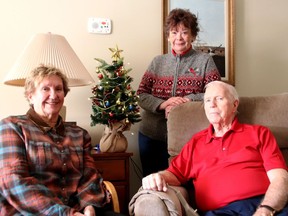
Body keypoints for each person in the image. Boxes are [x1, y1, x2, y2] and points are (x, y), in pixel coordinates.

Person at [138, 81, 288, 216]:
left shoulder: (259, 133)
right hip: (221, 213)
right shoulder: (196, 142)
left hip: (266, 205)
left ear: (235, 104)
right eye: (208, 100)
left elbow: (280, 178)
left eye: (219, 98)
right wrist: (158, 177)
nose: (212, 104)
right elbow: (175, 174)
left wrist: (266, 209)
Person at [0, 65, 124, 216]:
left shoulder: (79, 134)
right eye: (45, 89)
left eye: (58, 89)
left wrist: (89, 207)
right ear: (30, 95)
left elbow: (89, 177)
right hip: (32, 212)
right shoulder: (12, 127)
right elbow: (14, 181)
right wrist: (67, 214)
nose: (54, 95)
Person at [136, 8, 221, 177]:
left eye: (184, 32)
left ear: (193, 36)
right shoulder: (157, 62)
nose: (179, 38)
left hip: (189, 136)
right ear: (168, 36)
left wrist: (186, 100)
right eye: (174, 32)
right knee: (152, 183)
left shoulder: (205, 61)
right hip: (152, 135)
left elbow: (216, 93)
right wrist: (164, 104)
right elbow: (141, 95)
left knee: (186, 184)